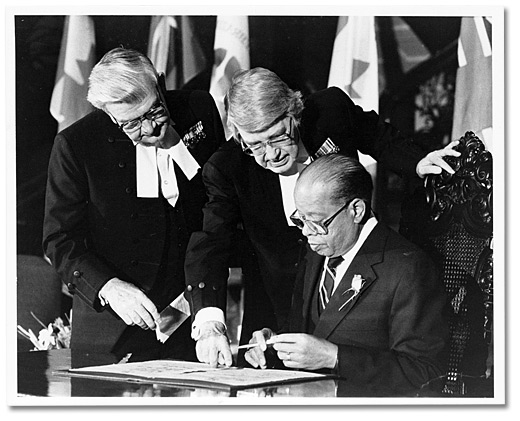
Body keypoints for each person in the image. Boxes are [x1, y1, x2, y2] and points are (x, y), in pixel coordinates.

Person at [183, 67, 458, 367]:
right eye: (255, 145)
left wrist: (418, 161)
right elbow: (211, 242)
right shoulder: (226, 167)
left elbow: (378, 135)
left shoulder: (331, 111)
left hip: (360, 281)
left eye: (278, 137)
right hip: (281, 298)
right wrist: (209, 323)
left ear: (294, 112)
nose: (271, 155)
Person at [43, 48, 225, 361]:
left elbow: (218, 208)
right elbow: (58, 240)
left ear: (160, 85)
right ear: (108, 113)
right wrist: (109, 287)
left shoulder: (198, 108)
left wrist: (208, 311)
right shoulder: (76, 145)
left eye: (155, 111)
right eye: (131, 123)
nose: (151, 129)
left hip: (191, 319)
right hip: (111, 326)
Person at [244, 154, 449, 393]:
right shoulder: (316, 253)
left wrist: (335, 358)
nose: (308, 233)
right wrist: (274, 345)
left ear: (356, 210)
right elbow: (314, 332)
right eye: (301, 220)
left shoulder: (407, 268)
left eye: (318, 222)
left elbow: (425, 374)